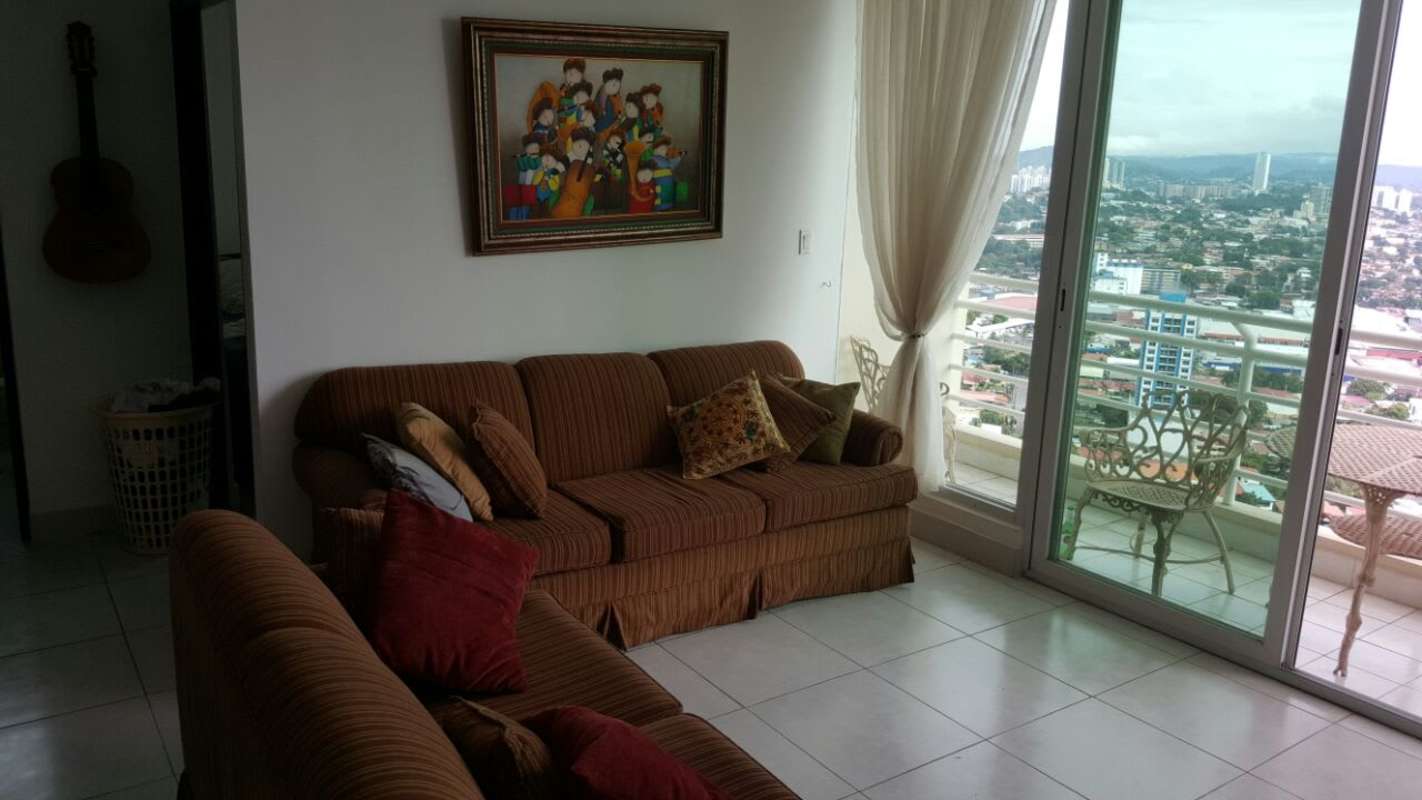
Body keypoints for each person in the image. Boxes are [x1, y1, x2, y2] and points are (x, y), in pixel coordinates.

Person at [551, 128, 597, 218]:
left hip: (584, 192)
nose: (580, 147)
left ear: (589, 147)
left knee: (589, 201)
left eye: (583, 145)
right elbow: (558, 168)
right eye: (577, 144)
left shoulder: (590, 159)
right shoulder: (569, 157)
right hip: (566, 188)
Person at [508, 134, 542, 220]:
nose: (534, 150)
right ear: (526, 149)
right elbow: (521, 168)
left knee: (526, 206)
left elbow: (538, 170)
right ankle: (514, 219)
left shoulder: (539, 160)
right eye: (532, 148)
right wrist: (524, 157)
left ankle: (523, 218)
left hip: (532, 187)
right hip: (522, 185)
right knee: (516, 203)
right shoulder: (524, 158)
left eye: (536, 148)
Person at [648, 135, 683, 211]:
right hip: (659, 184)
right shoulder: (654, 159)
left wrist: (678, 157)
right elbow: (670, 165)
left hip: (667, 184)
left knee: (667, 199)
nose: (665, 150)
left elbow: (672, 165)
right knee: (660, 201)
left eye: (666, 148)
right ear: (655, 149)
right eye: (662, 148)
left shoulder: (665, 159)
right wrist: (677, 157)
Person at [593, 68, 624, 133]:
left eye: (617, 82)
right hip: (599, 127)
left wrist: (619, 116)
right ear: (605, 83)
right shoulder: (600, 96)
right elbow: (594, 111)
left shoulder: (617, 98)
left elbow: (620, 111)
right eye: (612, 81)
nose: (615, 84)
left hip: (611, 128)